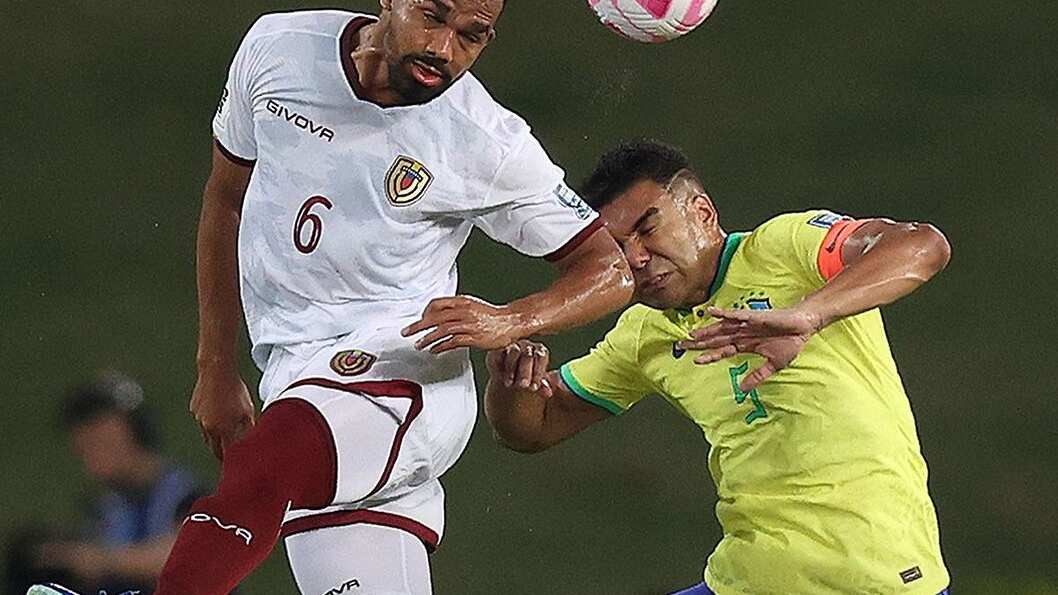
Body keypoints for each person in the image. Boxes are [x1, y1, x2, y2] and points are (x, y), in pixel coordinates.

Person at [25, 2, 633, 595]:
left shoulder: (484, 140)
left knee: (271, 458)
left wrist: (509, 319)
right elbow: (225, 200)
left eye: (473, 35)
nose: (444, 49)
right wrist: (215, 365)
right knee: (282, 456)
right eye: (432, 16)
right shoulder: (279, 49)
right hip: (294, 374)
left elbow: (610, 268)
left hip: (407, 374)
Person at [483, 141, 953, 595]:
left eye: (648, 229)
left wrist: (812, 313)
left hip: (877, 580)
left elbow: (922, 245)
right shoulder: (645, 334)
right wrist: (510, 383)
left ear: (702, 214)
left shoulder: (785, 247)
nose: (637, 258)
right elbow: (533, 428)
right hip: (745, 580)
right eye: (618, 247)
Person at [10, 372, 203, 595]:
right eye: (85, 447)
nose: (93, 455)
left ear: (136, 432)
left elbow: (192, 557)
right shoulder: (105, 510)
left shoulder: (186, 496)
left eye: (102, 442)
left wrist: (100, 560)